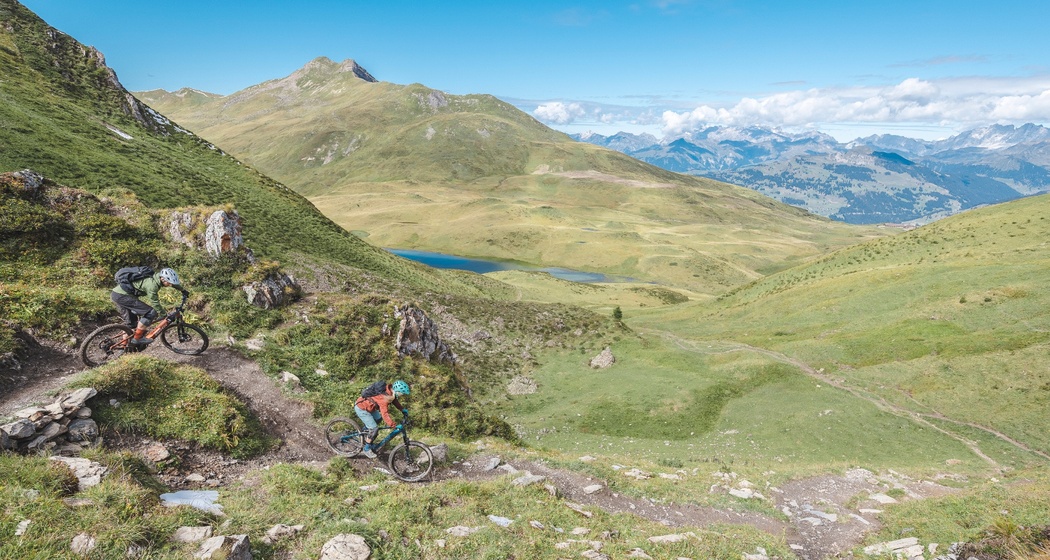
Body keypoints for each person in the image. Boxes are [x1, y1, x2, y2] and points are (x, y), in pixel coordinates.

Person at [111, 267, 188, 346]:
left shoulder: (157, 277)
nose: (170, 285)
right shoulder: (152, 285)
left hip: (118, 294)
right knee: (150, 312)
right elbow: (154, 302)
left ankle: (124, 346)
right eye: (169, 283)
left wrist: (183, 290)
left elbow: (173, 284)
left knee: (131, 324)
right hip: (122, 296)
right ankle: (137, 339)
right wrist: (163, 314)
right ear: (162, 279)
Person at [353, 380, 410, 458]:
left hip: (370, 408)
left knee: (378, 419)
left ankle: (364, 434)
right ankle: (366, 448)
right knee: (374, 429)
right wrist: (394, 425)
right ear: (397, 391)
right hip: (362, 408)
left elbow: (394, 401)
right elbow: (385, 414)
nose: (402, 395)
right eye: (402, 393)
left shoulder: (390, 392)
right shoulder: (384, 398)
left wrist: (402, 409)